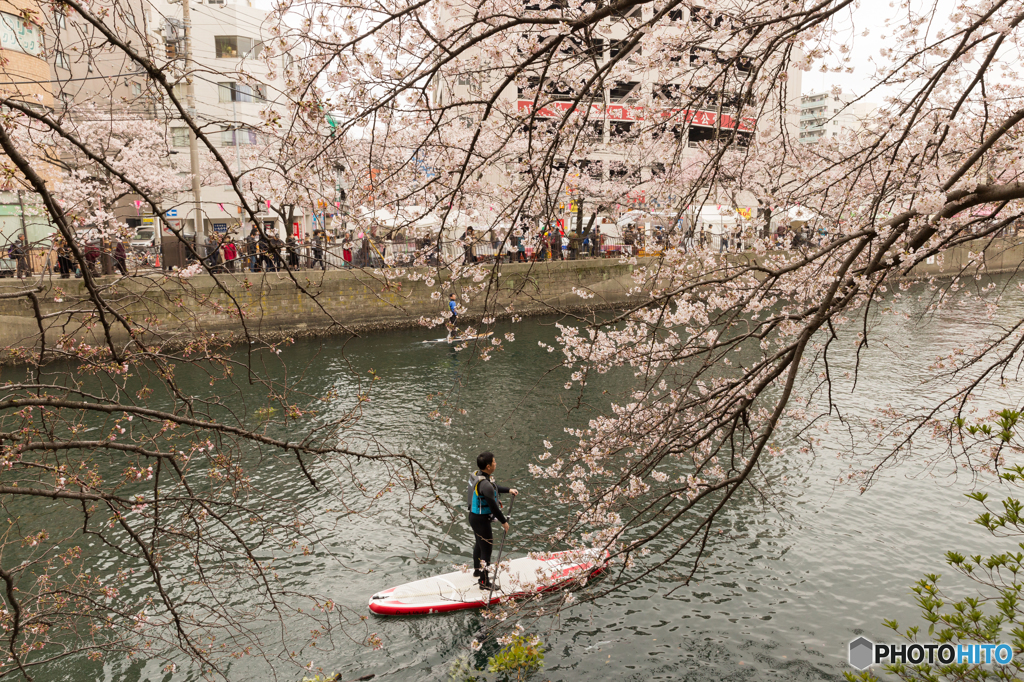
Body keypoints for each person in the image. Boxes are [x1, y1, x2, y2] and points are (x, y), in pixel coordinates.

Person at [466, 451, 518, 590]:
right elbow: (494, 508)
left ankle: (477, 570)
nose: (496, 463)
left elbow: (493, 488)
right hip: (481, 520)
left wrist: (508, 490)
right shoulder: (485, 485)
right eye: (494, 462)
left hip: (473, 517)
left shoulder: (477, 475)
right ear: (488, 466)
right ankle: (484, 582)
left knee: (479, 544)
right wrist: (504, 522)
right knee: (486, 550)